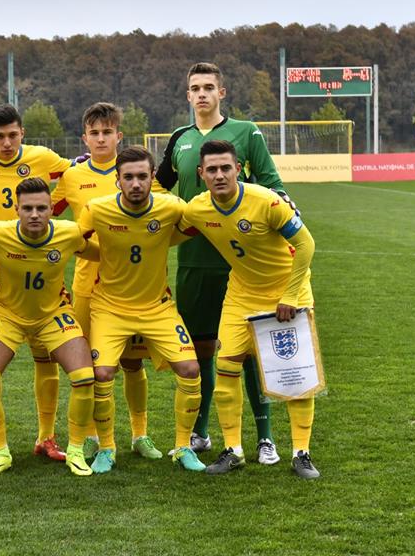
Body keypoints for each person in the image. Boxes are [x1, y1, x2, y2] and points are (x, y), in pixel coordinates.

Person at [155, 62, 289, 465]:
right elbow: (157, 189)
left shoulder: (246, 132)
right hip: (194, 262)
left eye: (208, 87)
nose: (201, 94)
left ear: (222, 93)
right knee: (202, 351)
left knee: (247, 352)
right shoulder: (179, 139)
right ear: (187, 95)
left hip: (242, 264)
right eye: (195, 88)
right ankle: (200, 431)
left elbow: (273, 185)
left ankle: (265, 437)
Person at [178, 139, 319, 479]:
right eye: (212, 170)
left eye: (226, 167)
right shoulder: (197, 209)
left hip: (288, 293)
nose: (219, 174)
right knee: (225, 366)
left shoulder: (265, 201)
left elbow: (306, 244)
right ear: (201, 174)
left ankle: (301, 453)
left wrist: (290, 295)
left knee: (296, 376)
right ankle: (234, 450)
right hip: (241, 294)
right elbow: (169, 229)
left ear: (238, 169)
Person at [76, 146, 205, 474]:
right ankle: (107, 447)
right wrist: (101, 255)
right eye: (128, 177)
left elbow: (193, 225)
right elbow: (75, 240)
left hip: (157, 307)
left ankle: (182, 446)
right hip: (109, 308)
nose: (136, 183)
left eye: (142, 177)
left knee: (190, 369)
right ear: (117, 180)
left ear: (152, 179)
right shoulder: (98, 209)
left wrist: (164, 241)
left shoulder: (170, 206)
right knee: (102, 373)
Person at [0, 104, 73, 462]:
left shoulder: (43, 157)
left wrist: (57, 207)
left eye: (12, 135)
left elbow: (77, 175)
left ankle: (46, 436)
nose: (6, 143)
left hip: (38, 268)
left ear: (22, 133)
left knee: (46, 357)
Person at [51, 103, 164, 461]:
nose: (101, 138)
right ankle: (91, 437)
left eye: (107, 132)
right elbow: (46, 218)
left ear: (119, 136)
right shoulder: (71, 177)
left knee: (133, 364)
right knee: (90, 368)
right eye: (94, 133)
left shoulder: (139, 176)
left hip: (134, 288)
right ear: (84, 138)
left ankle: (140, 435)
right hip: (88, 289)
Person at [0, 177, 97, 477]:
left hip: (53, 314)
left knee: (83, 376)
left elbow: (100, 253)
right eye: (28, 208)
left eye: (42, 207)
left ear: (53, 208)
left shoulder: (68, 233)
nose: (35, 214)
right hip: (7, 314)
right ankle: (0, 452)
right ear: (17, 209)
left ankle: (74, 449)